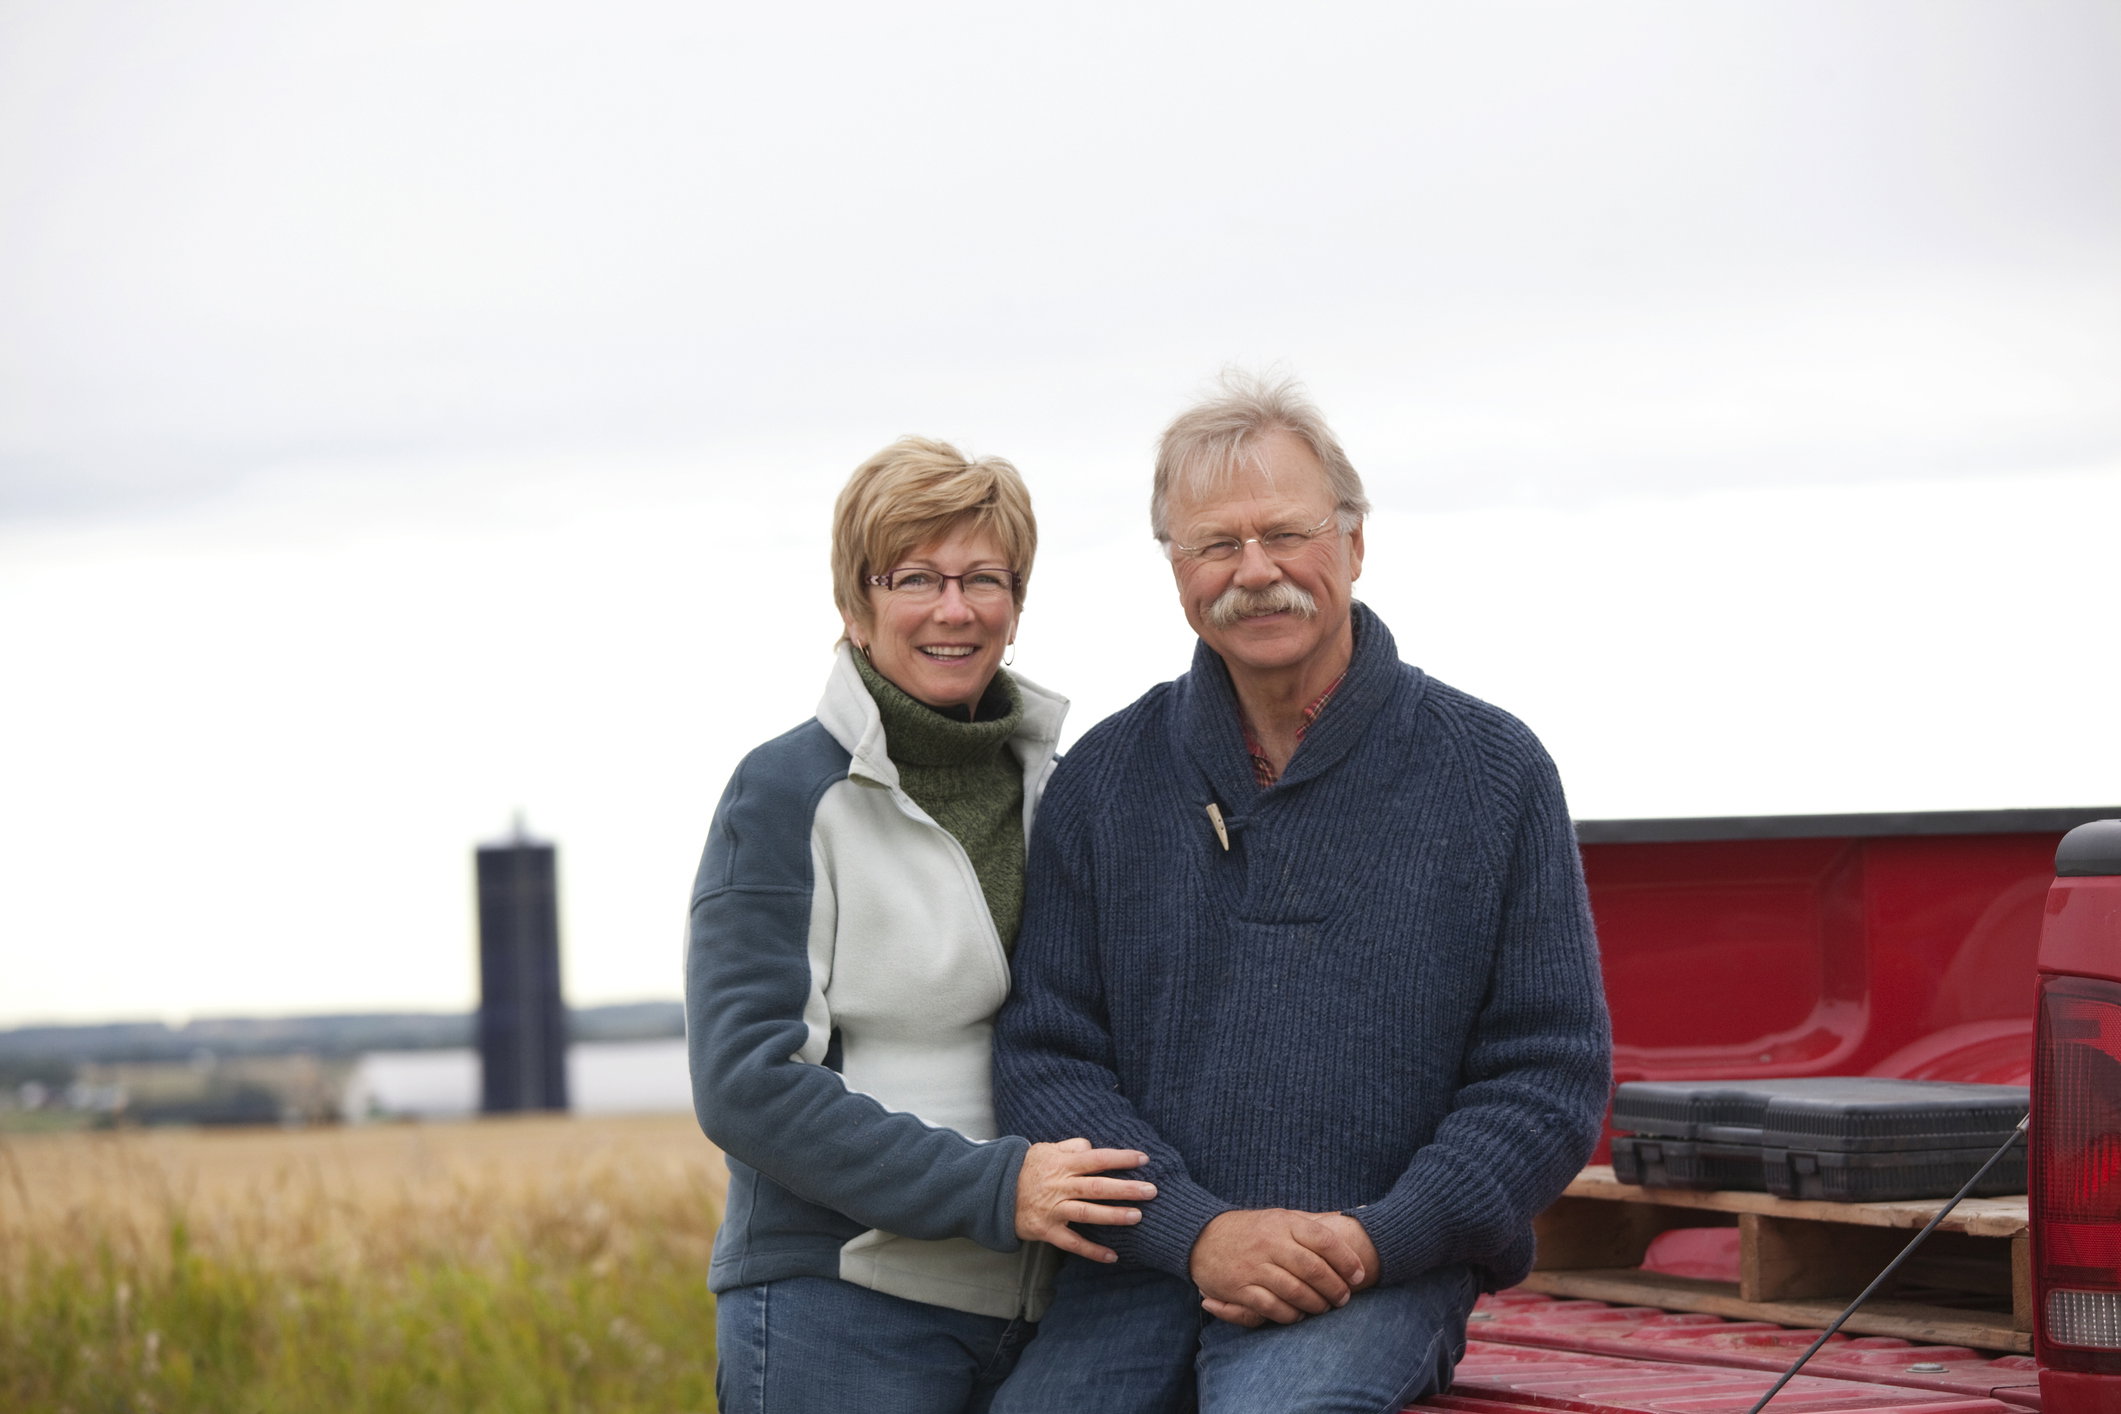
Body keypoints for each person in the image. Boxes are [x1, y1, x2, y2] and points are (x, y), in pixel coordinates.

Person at [989, 374, 1613, 1413]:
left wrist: (1380, 1236)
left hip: (1378, 1269)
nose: (1256, 571)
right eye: (1215, 545)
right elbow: (1049, 1054)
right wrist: (1196, 1231)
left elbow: (1544, 1077)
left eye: (1287, 533)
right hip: (1149, 1267)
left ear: (1356, 543)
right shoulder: (1103, 780)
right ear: (1176, 571)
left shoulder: (1494, 773)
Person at [685, 436, 1157, 1414]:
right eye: (915, 577)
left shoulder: (1063, 793)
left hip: (1049, 1318)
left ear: (1016, 604)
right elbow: (747, 1084)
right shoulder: (782, 793)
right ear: (856, 606)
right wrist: (995, 1190)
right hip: (841, 1309)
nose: (954, 608)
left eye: (984, 576)